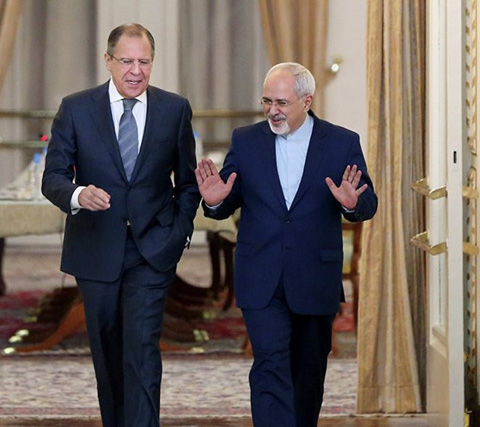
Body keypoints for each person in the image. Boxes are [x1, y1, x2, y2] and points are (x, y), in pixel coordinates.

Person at [195, 62, 378, 426]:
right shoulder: (246, 140)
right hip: (261, 275)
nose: (272, 111)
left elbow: (368, 203)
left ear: (306, 101)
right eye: (267, 101)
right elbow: (226, 198)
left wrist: (351, 203)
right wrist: (214, 202)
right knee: (269, 364)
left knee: (308, 373)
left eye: (281, 103)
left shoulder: (341, 142)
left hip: (315, 277)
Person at [41, 23, 200, 427]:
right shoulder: (76, 108)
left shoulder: (174, 109)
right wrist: (79, 195)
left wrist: (178, 233)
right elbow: (53, 177)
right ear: (108, 61)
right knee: (108, 355)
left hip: (152, 250)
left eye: (144, 62)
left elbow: (187, 183)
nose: (136, 70)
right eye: (127, 61)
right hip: (95, 249)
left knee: (142, 351)